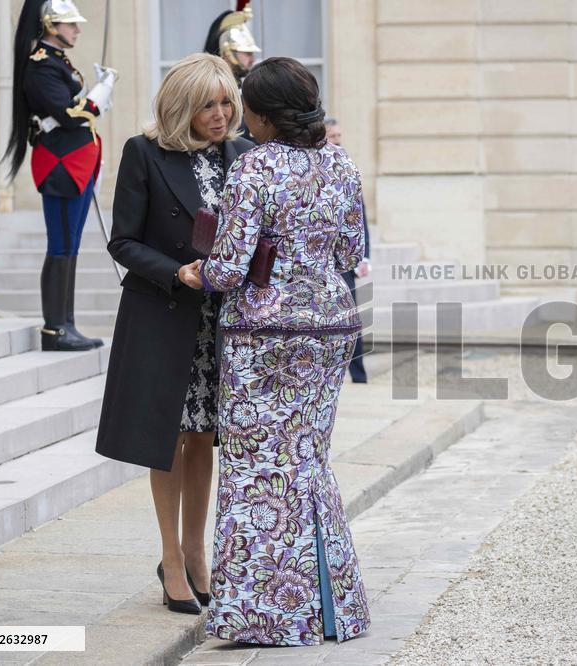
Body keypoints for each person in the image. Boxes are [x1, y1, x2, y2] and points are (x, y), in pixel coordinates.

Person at [196, 57, 371, 645]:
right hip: (329, 322)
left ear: (262, 114)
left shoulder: (254, 167)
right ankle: (332, 610)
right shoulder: (341, 163)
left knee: (255, 473)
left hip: (264, 335)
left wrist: (199, 268)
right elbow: (351, 251)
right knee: (308, 462)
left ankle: (265, 615)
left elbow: (227, 269)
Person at [94, 53, 253, 615]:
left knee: (204, 436)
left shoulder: (243, 154)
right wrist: (175, 271)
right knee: (168, 437)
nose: (221, 113)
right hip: (163, 314)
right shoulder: (145, 153)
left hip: (222, 323)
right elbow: (123, 242)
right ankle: (170, 557)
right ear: (182, 106)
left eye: (227, 101)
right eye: (208, 103)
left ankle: (195, 550)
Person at [4, 0, 117, 351]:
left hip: (77, 164)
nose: (77, 30)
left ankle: (66, 323)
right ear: (51, 26)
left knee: (70, 247)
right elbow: (68, 115)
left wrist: (95, 94)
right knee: (61, 246)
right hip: (61, 165)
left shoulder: (57, 62)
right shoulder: (40, 66)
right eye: (71, 24)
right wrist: (100, 95)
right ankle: (54, 329)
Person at [325, 117, 371, 383]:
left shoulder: (348, 168)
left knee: (353, 320)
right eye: (333, 136)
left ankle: (359, 376)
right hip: (323, 260)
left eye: (340, 135)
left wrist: (364, 256)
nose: (338, 140)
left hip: (346, 260)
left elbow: (360, 217)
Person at [204, 1, 261, 141]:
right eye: (246, 53)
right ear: (227, 51)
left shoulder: (245, 89)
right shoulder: (208, 88)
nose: (252, 59)